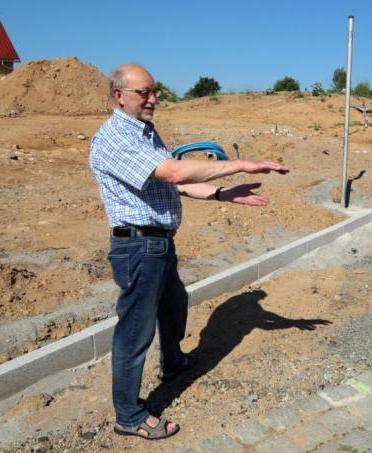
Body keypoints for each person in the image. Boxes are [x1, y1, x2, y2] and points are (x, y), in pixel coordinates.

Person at [89, 63, 289, 440]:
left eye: (154, 91)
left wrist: (222, 194)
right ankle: (129, 414)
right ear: (119, 96)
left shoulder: (144, 133)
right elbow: (176, 174)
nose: (153, 99)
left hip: (157, 242)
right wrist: (240, 164)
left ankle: (173, 361)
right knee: (135, 331)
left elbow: (172, 187)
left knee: (174, 304)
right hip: (137, 246)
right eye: (143, 93)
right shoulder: (115, 137)